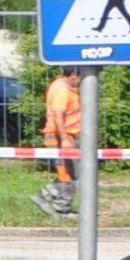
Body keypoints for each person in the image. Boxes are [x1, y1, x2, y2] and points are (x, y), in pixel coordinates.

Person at [40, 64, 82, 216]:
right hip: (60, 137)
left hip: (64, 136)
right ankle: (61, 207)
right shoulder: (62, 90)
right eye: (80, 78)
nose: (80, 82)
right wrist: (64, 139)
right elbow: (58, 115)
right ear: (73, 76)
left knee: (68, 174)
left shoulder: (62, 87)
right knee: (71, 175)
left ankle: (45, 196)